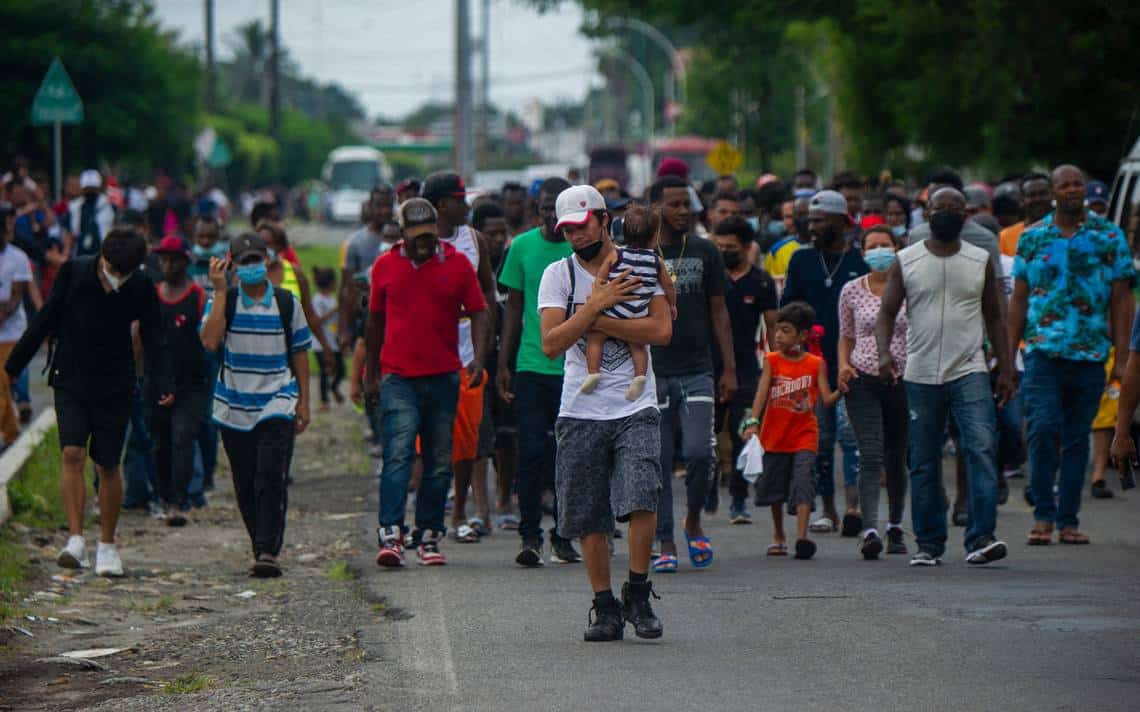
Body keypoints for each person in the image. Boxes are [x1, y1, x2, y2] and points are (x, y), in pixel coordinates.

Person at [536, 186, 671, 641]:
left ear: (604, 218)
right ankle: (604, 606)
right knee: (587, 512)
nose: (575, 236)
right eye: (567, 230)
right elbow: (552, 343)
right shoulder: (558, 276)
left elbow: (661, 329)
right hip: (580, 408)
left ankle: (638, 592)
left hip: (637, 403)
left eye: (581, 226)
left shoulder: (641, 262)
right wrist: (595, 304)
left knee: (641, 496)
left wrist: (597, 321)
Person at [6, 227, 172, 577]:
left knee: (108, 463)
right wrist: (12, 367)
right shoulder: (76, 271)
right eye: (110, 267)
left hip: (115, 383)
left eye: (122, 272)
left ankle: (108, 546)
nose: (114, 276)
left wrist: (163, 382)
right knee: (72, 453)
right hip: (70, 376)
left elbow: (155, 335)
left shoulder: (141, 287)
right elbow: (46, 318)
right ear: (102, 256)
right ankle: (76, 539)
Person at [876, 187, 1014, 566]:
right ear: (928, 212)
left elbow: (996, 317)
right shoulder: (907, 260)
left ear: (965, 214)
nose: (948, 212)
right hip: (920, 374)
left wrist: (1004, 368)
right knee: (922, 459)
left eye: (955, 207)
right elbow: (886, 312)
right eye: (941, 207)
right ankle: (929, 544)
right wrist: (885, 353)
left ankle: (981, 537)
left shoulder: (979, 259)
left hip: (969, 369)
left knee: (982, 448)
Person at [1009, 165, 1135, 546]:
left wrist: (1124, 353)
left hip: (1091, 352)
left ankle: (1068, 521)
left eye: (1077, 183)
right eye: (1064, 184)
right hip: (1042, 352)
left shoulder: (1108, 236)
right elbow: (1018, 298)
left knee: (1078, 437)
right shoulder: (1032, 239)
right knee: (1044, 428)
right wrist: (1004, 354)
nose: (1072, 190)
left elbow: (1122, 297)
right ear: (1052, 191)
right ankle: (1043, 515)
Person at [364, 198, 488, 567]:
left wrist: (478, 358)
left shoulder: (457, 264)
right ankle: (391, 532)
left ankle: (429, 535)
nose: (424, 242)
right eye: (416, 236)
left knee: (437, 460)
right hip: (398, 377)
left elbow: (480, 312)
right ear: (402, 234)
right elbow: (373, 323)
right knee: (399, 455)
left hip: (443, 376)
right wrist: (370, 375)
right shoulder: (385, 266)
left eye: (429, 235)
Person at [199, 232, 311, 577]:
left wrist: (304, 401)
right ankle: (258, 542)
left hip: (277, 399)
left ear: (267, 260)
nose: (251, 267)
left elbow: (300, 352)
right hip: (234, 404)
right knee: (245, 480)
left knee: (270, 475)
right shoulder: (225, 301)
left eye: (256, 260)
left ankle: (267, 549)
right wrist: (219, 291)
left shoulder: (286, 302)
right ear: (233, 263)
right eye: (244, 261)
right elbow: (210, 341)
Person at [649, 175, 737, 572]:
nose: (684, 211)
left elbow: (720, 312)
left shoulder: (705, 251)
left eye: (687, 204)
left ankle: (694, 520)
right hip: (651, 372)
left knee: (701, 452)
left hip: (697, 370)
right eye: (674, 204)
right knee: (661, 460)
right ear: (655, 208)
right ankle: (665, 540)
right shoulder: (638, 253)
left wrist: (729, 368)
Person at [497, 177, 581, 565]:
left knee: (570, 455)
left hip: (576, 369)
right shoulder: (522, 248)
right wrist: (504, 362)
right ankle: (530, 535)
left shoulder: (583, 248)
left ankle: (564, 534)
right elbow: (514, 308)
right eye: (546, 207)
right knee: (530, 452)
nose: (551, 214)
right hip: (531, 365)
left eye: (558, 207)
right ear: (537, 209)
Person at [780, 189, 868, 532]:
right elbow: (788, 306)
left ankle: (854, 507)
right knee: (821, 439)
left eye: (819, 220)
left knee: (851, 437)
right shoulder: (801, 260)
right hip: (812, 366)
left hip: (853, 363)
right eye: (810, 220)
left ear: (839, 220)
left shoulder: (860, 262)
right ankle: (827, 509)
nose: (811, 226)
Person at [421, 172, 501, 548]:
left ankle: (457, 517)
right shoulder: (418, 243)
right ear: (440, 206)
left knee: (466, 442)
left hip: (467, 354)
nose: (466, 206)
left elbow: (486, 296)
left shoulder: (475, 241)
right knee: (428, 442)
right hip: (426, 355)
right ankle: (428, 516)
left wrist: (483, 354)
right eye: (459, 199)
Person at [740, 302, 840, 559]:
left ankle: (802, 537)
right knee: (775, 488)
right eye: (777, 330)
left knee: (804, 479)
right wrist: (752, 422)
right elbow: (761, 395)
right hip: (774, 435)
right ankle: (779, 535)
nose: (779, 336)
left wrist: (843, 388)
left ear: (803, 335)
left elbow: (826, 399)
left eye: (785, 330)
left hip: (805, 435)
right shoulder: (772, 361)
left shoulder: (815, 363)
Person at [837, 226, 909, 558]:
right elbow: (846, 336)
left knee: (898, 455)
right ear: (863, 253)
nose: (879, 251)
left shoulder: (911, 288)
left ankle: (895, 526)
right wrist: (842, 366)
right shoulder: (851, 290)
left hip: (904, 378)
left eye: (885, 245)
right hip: (862, 378)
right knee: (871, 453)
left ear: (897, 248)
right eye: (873, 246)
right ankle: (870, 530)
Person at [711, 216, 778, 524]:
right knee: (707, 434)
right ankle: (708, 487)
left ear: (747, 247)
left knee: (742, 433)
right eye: (720, 246)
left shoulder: (761, 282)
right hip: (708, 365)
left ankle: (739, 499)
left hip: (747, 368)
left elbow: (774, 327)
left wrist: (777, 365)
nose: (725, 251)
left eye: (731, 247)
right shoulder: (711, 279)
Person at [581, 203, 675, 401]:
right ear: (654, 236)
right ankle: (640, 376)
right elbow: (668, 286)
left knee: (595, 336)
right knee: (637, 344)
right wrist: (672, 305)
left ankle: (593, 372)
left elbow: (601, 276)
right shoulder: (655, 260)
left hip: (616, 307)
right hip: (638, 311)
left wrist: (597, 294)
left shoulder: (617, 254)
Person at [148, 236, 209, 526]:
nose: (166, 265)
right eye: (163, 259)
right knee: (159, 442)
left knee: (183, 437)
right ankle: (163, 495)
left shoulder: (198, 297)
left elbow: (208, 340)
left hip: (191, 383)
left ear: (185, 261)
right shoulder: (153, 295)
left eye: (172, 259)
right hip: (158, 382)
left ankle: (179, 499)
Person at [338, 185, 395, 354]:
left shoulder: (402, 238)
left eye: (388, 206)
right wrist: (344, 329)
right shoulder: (355, 242)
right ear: (370, 206)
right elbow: (347, 288)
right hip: (365, 319)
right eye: (379, 206)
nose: (384, 211)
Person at [0, 203, 33, 449]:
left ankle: (11, 431)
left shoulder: (18, 257)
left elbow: (16, 297)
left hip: (11, 331)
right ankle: (11, 432)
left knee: (4, 381)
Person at [311, 266, 343, 411]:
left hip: (334, 343)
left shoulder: (332, 299)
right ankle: (325, 401)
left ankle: (333, 387)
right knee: (324, 371)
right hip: (320, 344)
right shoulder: (317, 300)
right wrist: (334, 310)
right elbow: (317, 321)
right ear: (330, 283)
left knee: (341, 370)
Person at [999, 173, 1051, 258]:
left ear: (1052, 195)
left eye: (1043, 194)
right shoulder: (1005, 237)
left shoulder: (1066, 230)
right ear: (1022, 200)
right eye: (1031, 195)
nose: (1038, 199)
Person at [66, 170, 115, 258]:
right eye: (87, 188)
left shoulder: (108, 205)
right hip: (81, 254)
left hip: (102, 253)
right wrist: (67, 252)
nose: (90, 191)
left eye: (92, 188)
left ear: (98, 187)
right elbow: (70, 233)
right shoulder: (74, 207)